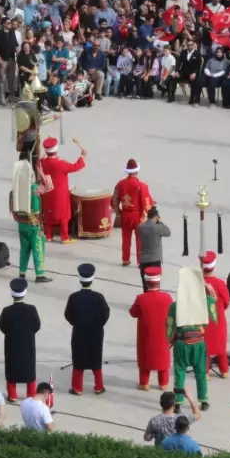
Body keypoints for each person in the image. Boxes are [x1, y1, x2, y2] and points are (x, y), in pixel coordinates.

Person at [169, 265, 217, 412]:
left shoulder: (175, 306)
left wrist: (171, 339)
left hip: (182, 344)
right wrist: (208, 287)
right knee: (201, 372)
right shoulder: (205, 302)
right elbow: (214, 303)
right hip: (198, 343)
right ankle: (203, 401)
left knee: (180, 371)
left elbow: (170, 327)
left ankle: (177, 403)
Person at [65, 263, 110, 396]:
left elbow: (68, 315)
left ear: (80, 279)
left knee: (78, 360)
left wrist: (77, 323)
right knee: (96, 359)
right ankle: (99, 386)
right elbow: (106, 314)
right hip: (96, 333)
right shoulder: (99, 298)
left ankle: (77, 388)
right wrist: (98, 325)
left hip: (79, 332)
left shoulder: (74, 298)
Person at [131, 266, 172, 390]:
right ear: (159, 282)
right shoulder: (167, 298)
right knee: (163, 357)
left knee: (145, 357)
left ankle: (144, 383)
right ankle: (163, 383)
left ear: (146, 282)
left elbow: (133, 313)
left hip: (146, 336)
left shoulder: (141, 299)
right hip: (163, 335)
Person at [10, 155, 51, 283]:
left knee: (24, 249)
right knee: (38, 248)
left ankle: (22, 273)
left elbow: (12, 209)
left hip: (21, 224)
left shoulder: (15, 190)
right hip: (33, 225)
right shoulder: (34, 189)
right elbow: (49, 186)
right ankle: (39, 274)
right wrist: (42, 173)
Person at [0, 277, 40, 402]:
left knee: (12, 369)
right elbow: (37, 325)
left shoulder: (7, 311)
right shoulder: (31, 309)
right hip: (28, 343)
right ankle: (31, 393)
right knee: (29, 369)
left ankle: (12, 395)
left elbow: (2, 326)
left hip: (12, 344)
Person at [38, 136, 86, 243]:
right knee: (64, 215)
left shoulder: (41, 162)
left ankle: (49, 235)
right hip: (60, 194)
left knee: (48, 213)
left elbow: (42, 159)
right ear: (56, 149)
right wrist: (82, 156)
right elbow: (76, 166)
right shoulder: (60, 164)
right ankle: (64, 237)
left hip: (47, 193)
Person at [112, 158, 153, 267]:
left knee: (125, 238)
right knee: (139, 239)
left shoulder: (120, 184)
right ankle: (140, 262)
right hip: (137, 216)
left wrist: (118, 212)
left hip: (125, 215)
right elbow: (147, 202)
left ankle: (125, 259)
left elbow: (114, 199)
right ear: (137, 171)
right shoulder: (142, 186)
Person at [200, 251, 230, 376]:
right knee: (221, 348)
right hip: (218, 320)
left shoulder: (198, 284)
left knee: (204, 348)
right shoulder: (220, 284)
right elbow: (226, 302)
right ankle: (224, 371)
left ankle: (205, 371)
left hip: (203, 320)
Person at [136, 206, 171, 287]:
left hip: (143, 259)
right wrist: (160, 222)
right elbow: (168, 232)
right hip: (155, 259)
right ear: (156, 217)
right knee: (154, 285)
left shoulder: (140, 227)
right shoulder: (157, 227)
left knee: (145, 285)